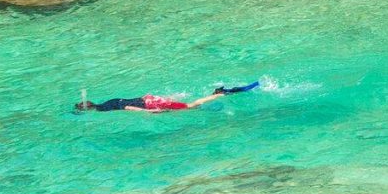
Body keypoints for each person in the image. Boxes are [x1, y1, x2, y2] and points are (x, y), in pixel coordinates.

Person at [78, 80, 260, 114]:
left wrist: (148, 113)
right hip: (147, 98)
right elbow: (125, 101)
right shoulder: (107, 101)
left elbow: (126, 107)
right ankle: (217, 93)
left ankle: (219, 94)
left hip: (148, 106)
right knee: (181, 104)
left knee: (190, 106)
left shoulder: (103, 108)